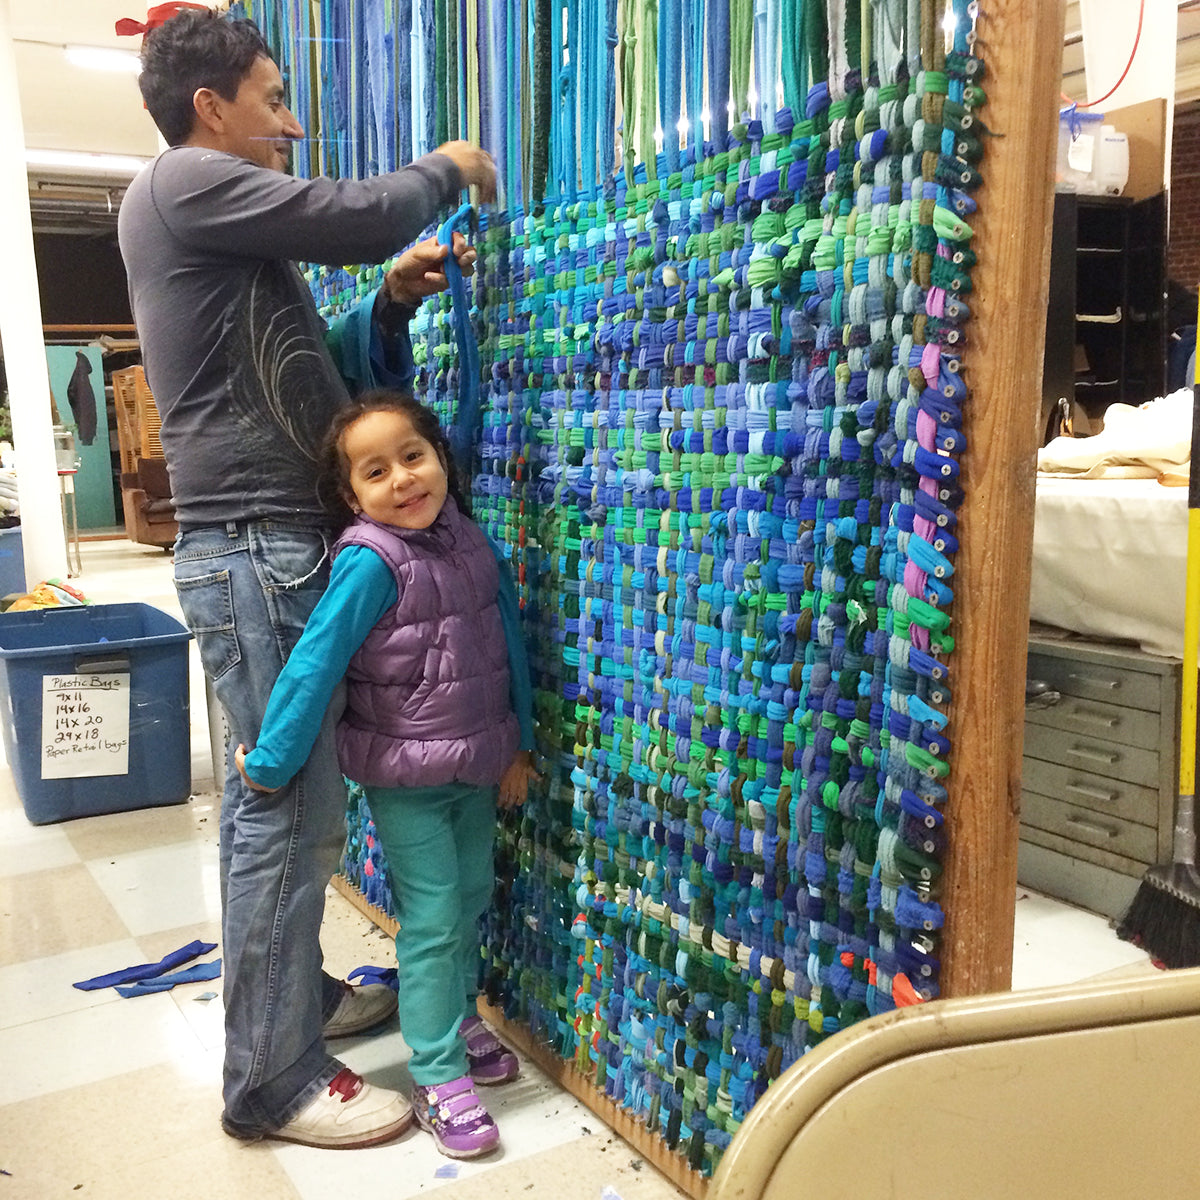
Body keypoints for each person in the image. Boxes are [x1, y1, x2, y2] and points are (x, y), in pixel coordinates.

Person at [117, 7, 497, 1150]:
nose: (291, 122)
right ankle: (272, 1078)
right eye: (273, 98)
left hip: (279, 546)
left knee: (289, 811)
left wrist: (389, 306)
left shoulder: (228, 236)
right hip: (252, 551)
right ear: (209, 108)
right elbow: (358, 212)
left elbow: (308, 384)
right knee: (286, 816)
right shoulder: (182, 183)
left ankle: (296, 999)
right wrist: (445, 172)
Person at [234, 391, 539, 1160]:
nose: (403, 479)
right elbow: (316, 661)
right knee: (435, 918)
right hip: (407, 779)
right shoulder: (370, 561)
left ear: (440, 458)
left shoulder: (468, 541)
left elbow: (507, 642)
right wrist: (272, 760)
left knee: (469, 900)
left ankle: (457, 1016)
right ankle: (437, 1075)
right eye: (377, 471)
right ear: (352, 496)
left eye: (413, 456)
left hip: (476, 762)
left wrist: (519, 745)